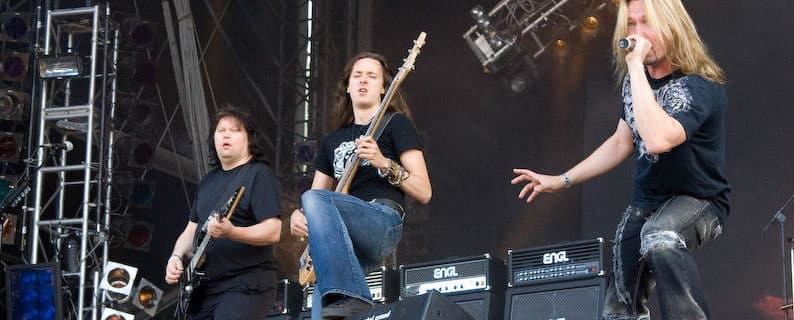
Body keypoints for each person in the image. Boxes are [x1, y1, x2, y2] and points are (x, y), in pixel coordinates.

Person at [511, 0, 728, 319]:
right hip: (648, 204)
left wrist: (636, 67)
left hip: (698, 202)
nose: (637, 33)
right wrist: (562, 179)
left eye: (647, 23)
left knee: (660, 237)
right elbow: (621, 140)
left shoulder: (698, 87)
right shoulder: (634, 84)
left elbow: (657, 140)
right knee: (617, 307)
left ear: (672, 27)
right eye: (631, 24)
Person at [290, 52, 432, 320]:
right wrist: (298, 216)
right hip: (341, 238)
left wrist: (383, 162)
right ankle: (351, 300)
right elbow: (315, 198)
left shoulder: (396, 124)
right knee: (325, 311)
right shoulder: (331, 141)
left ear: (383, 87)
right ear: (347, 86)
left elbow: (424, 191)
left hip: (382, 221)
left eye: (372, 76)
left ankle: (357, 299)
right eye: (357, 75)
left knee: (315, 199)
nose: (363, 81)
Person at [164, 106, 282, 319]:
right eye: (220, 130)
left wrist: (232, 232)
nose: (226, 134)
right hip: (205, 288)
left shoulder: (258, 174)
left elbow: (273, 231)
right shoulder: (208, 181)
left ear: (249, 140)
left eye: (235, 130)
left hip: (245, 284)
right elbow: (191, 230)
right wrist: (176, 256)